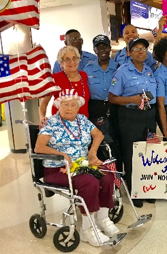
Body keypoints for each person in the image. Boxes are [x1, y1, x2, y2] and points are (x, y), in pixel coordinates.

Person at [35, 90, 119, 247]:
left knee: (107, 175)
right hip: (58, 170)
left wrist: (92, 152)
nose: (69, 108)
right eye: (65, 104)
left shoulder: (82, 120)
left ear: (78, 107)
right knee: (90, 182)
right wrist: (62, 155)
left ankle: (102, 219)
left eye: (73, 104)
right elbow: (39, 147)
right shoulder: (51, 123)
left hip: (82, 165)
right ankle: (87, 229)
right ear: (58, 106)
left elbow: (99, 135)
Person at [109, 37, 157, 208]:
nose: (141, 51)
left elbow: (152, 95)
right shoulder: (122, 72)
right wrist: (133, 99)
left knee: (149, 153)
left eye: (143, 48)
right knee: (131, 155)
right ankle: (134, 190)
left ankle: (147, 188)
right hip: (130, 117)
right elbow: (112, 98)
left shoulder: (149, 71)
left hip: (149, 116)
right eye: (136, 49)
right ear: (129, 53)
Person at [84, 34, 122, 171]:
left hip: (115, 107)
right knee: (100, 142)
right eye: (99, 48)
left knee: (117, 140)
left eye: (105, 47)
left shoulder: (119, 67)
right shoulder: (88, 69)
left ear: (110, 48)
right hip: (96, 108)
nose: (102, 50)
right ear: (95, 50)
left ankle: (118, 173)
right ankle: (103, 172)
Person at [39, 46, 90, 126]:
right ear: (61, 63)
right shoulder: (55, 78)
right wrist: (42, 118)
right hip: (61, 125)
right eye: (67, 59)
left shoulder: (84, 76)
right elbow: (44, 102)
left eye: (74, 58)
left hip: (82, 125)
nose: (72, 62)